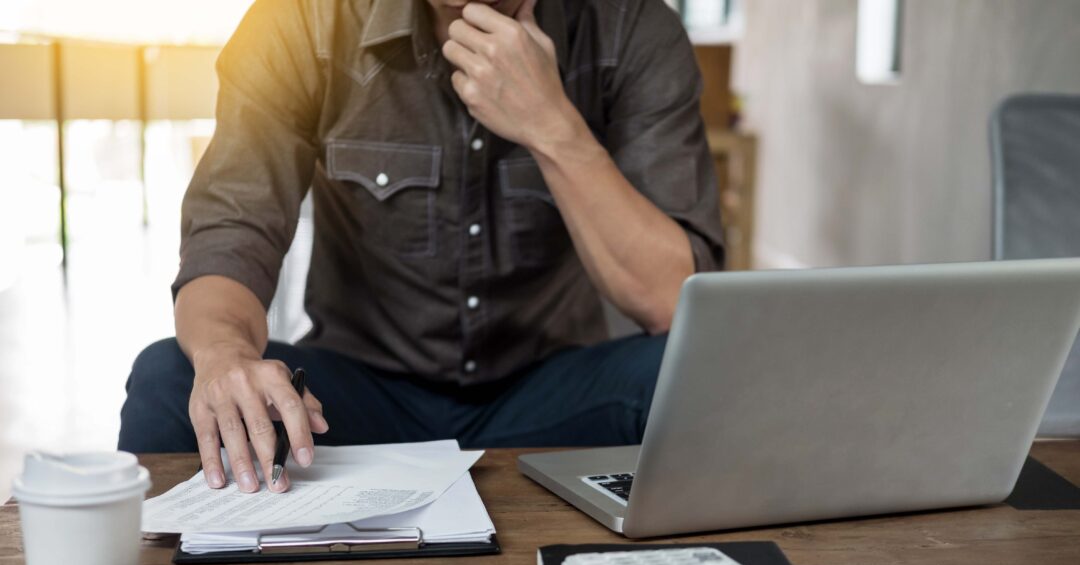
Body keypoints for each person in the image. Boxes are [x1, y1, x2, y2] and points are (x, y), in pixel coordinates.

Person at [119, 0, 724, 493]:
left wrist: (553, 126)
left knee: (699, 374)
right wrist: (225, 354)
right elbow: (231, 233)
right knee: (172, 377)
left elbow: (672, 300)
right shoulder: (302, 18)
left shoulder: (632, 24)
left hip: (549, 393)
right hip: (358, 398)